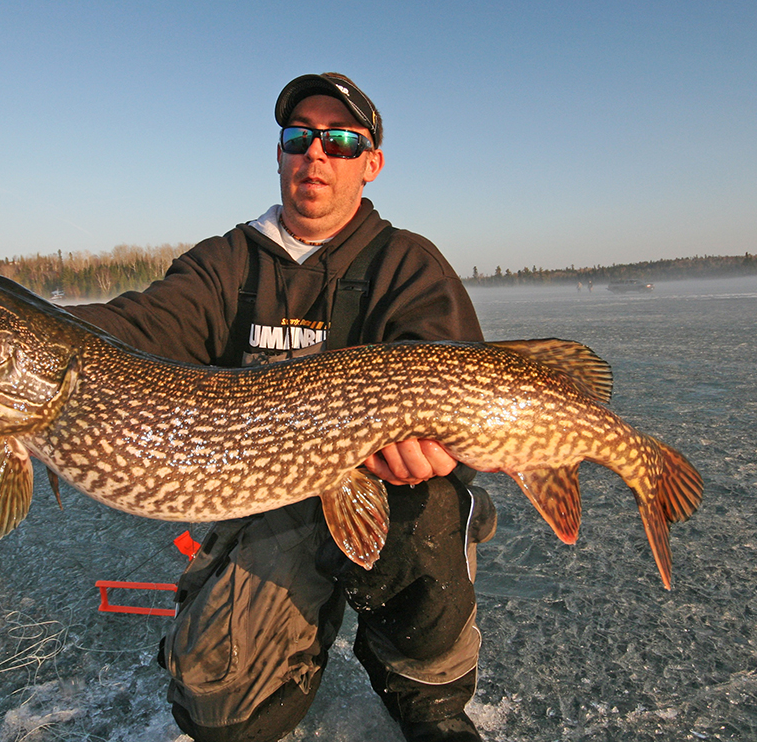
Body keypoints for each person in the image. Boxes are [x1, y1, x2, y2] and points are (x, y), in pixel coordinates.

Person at [68, 73, 495, 742]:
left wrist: (434, 454)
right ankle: (286, 665)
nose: (316, 154)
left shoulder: (408, 265)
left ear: (371, 164)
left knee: (431, 510)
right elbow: (133, 326)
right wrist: (12, 322)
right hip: (273, 505)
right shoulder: (226, 265)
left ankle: (429, 698)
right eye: (299, 137)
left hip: (390, 492)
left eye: (341, 140)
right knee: (221, 709)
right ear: (280, 154)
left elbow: (457, 384)